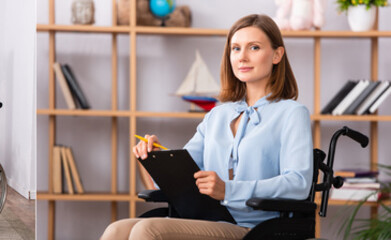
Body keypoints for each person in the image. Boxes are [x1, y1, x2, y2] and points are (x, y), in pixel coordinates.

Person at [101, 14, 313, 239]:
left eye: (254, 47)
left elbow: (298, 183)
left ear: (277, 55)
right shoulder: (217, 115)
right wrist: (154, 159)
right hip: (206, 218)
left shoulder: (292, 113)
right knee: (116, 230)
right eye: (236, 49)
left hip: (256, 229)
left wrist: (228, 190)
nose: (242, 57)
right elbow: (184, 176)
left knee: (147, 229)